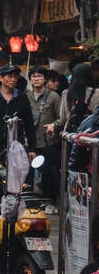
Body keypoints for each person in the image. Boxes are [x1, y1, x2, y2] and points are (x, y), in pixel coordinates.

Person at [28, 65, 65, 204]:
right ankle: (31, 203)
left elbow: (61, 118)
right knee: (28, 174)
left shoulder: (54, 97)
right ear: (30, 79)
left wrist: (53, 125)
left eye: (39, 76)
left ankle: (51, 202)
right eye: (33, 76)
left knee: (50, 173)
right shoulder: (27, 96)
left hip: (49, 141)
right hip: (31, 142)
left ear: (45, 79)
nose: (36, 79)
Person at [66, 63, 99, 132]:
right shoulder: (96, 92)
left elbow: (63, 118)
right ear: (89, 75)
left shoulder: (66, 93)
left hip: (71, 134)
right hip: (90, 134)